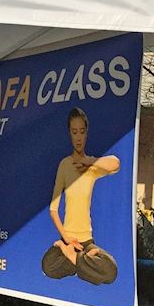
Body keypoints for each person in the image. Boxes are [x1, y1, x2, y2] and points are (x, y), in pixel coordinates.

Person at [41, 106, 120, 285]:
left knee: (111, 271)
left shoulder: (92, 167)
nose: (78, 137)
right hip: (68, 240)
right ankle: (83, 262)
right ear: (70, 133)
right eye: (74, 132)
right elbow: (53, 210)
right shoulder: (64, 165)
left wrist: (89, 161)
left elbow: (116, 164)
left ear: (86, 134)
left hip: (87, 242)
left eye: (82, 132)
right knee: (47, 266)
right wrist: (66, 240)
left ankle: (75, 260)